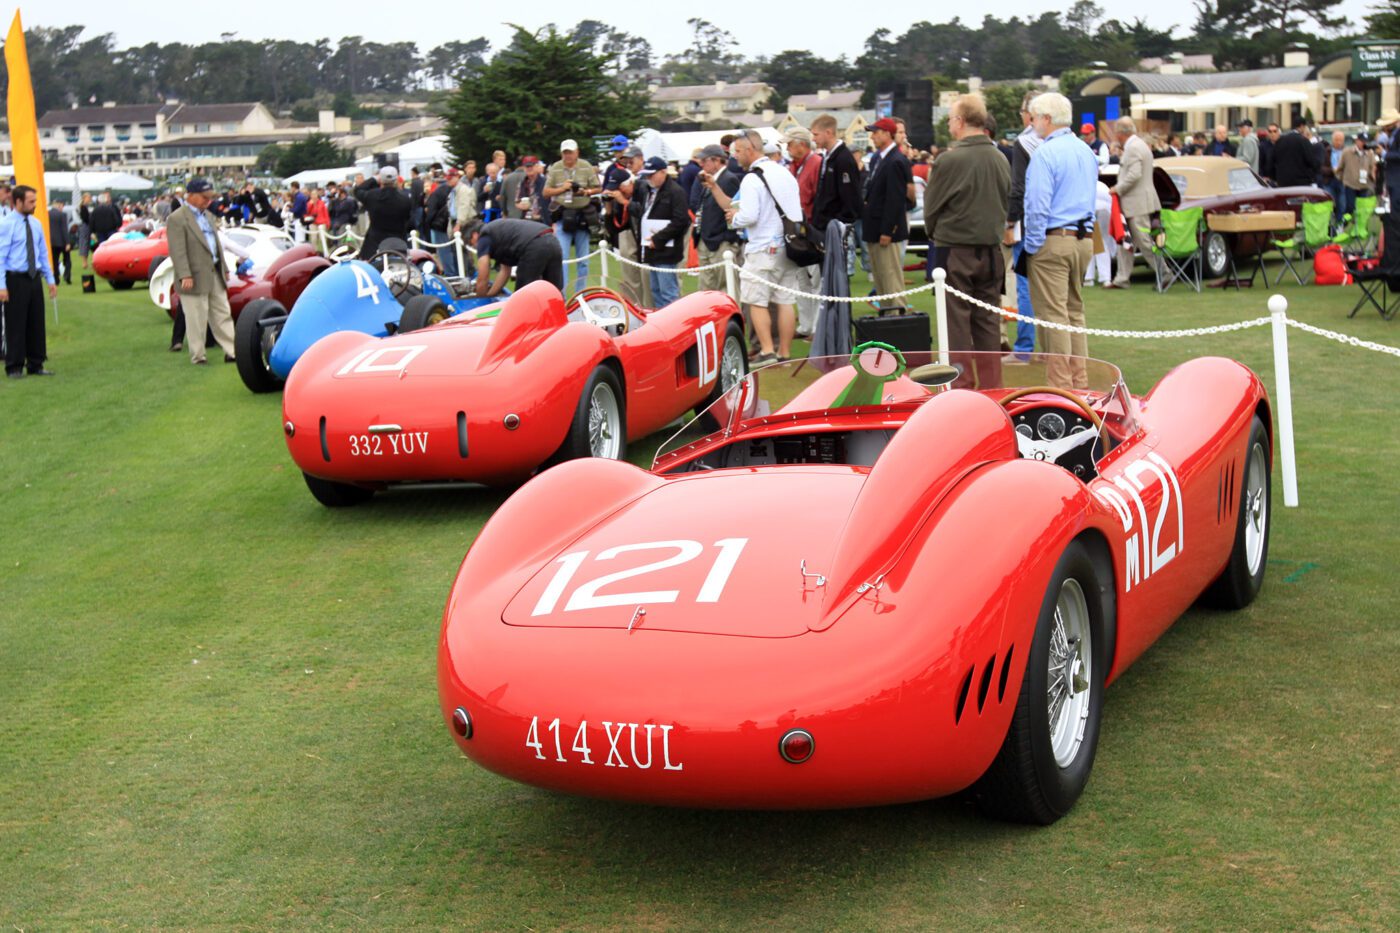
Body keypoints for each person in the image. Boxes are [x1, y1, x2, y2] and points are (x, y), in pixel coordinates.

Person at [922, 93, 1009, 389]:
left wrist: (937, 235)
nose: (949, 124)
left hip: (955, 250)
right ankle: (993, 389)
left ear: (960, 121)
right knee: (988, 322)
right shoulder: (1000, 157)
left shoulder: (950, 159)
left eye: (950, 119)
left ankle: (961, 389)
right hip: (991, 250)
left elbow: (931, 210)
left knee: (955, 324)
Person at [706, 129, 803, 363]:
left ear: (750, 150)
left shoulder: (752, 178)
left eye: (737, 151)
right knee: (785, 301)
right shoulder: (785, 173)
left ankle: (768, 351)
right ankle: (784, 353)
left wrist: (733, 218)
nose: (735, 157)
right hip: (788, 245)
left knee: (756, 301)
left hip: (762, 247)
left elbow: (748, 216)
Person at [1022, 92, 1098, 390]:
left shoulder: (1045, 153)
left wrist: (1032, 244)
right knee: (1074, 313)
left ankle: (1062, 387)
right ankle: (1079, 382)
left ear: (1047, 119)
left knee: (1055, 317)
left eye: (1035, 117)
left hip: (1055, 239)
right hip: (1083, 238)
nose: (1032, 122)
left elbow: (1037, 205)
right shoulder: (1084, 150)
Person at [165, 178, 235, 366]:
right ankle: (198, 355)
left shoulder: (209, 216)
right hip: (192, 276)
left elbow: (216, 245)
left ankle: (232, 351)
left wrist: (224, 268)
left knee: (222, 313)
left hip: (214, 272)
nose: (208, 201)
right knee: (196, 317)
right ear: (191, 196)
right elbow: (177, 251)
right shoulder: (177, 218)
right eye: (204, 197)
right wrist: (184, 274)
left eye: (210, 197)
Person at [0, 185, 58, 378]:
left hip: (33, 278)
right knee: (16, 323)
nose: (34, 205)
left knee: (36, 321)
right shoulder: (6, 224)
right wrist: (2, 285)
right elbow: (1, 257)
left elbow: (42, 254)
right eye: (30, 201)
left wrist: (50, 279)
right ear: (18, 202)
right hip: (15, 279)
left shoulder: (36, 224)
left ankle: (36, 363)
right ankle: (14, 366)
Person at [861, 117, 912, 310]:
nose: (873, 136)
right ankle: (887, 314)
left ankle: (897, 314)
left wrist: (888, 230)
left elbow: (895, 200)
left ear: (887, 134)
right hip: (875, 226)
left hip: (885, 229)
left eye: (876, 132)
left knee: (890, 275)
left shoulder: (895, 161)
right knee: (881, 277)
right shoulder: (879, 159)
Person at [1004, 92, 1040, 357]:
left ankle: (1024, 348)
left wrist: (1009, 222)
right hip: (1065, 226)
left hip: (1029, 224)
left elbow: (1018, 189)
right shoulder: (1071, 142)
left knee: (1025, 287)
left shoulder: (1024, 142)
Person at [809, 113, 862, 291]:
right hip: (824, 225)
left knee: (837, 277)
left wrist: (841, 222)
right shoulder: (829, 157)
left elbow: (850, 196)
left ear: (829, 132)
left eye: (816, 134)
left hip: (835, 227)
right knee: (827, 278)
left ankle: (841, 317)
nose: (813, 138)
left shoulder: (843, 159)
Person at [543, 139, 601, 296]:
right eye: (565, 153)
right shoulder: (555, 168)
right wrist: (562, 188)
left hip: (582, 215)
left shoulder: (585, 166)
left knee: (583, 261)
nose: (568, 156)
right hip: (563, 215)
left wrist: (585, 192)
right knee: (563, 259)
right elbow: (546, 192)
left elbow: (598, 187)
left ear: (577, 152)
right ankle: (563, 295)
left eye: (570, 152)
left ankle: (580, 295)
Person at [631, 157, 691, 308]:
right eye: (647, 175)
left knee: (668, 293)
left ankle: (675, 326)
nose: (648, 178)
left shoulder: (676, 191)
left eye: (652, 174)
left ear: (663, 172)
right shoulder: (648, 190)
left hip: (666, 250)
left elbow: (681, 221)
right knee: (656, 291)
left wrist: (658, 239)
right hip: (652, 249)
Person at [1110, 116, 1162, 289]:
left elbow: (1134, 174)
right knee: (1126, 242)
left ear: (1120, 133)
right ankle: (1121, 279)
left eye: (1116, 132)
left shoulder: (1132, 148)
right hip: (1136, 201)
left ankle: (1165, 273)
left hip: (1136, 203)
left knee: (1143, 241)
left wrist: (1118, 188)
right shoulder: (1138, 145)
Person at [785, 126, 824, 338]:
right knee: (800, 279)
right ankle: (805, 325)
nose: (788, 148)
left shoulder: (816, 163)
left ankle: (816, 326)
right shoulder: (793, 166)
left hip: (811, 229)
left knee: (815, 279)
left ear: (801, 144)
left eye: (790, 144)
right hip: (796, 229)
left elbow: (818, 196)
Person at [692, 144, 743, 301]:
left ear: (716, 160)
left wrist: (726, 239)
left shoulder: (729, 179)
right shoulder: (709, 179)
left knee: (726, 288)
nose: (701, 164)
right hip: (705, 239)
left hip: (722, 241)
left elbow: (733, 209)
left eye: (705, 161)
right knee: (706, 289)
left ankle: (731, 323)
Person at [465, 217, 563, 296]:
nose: (474, 246)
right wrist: (490, 295)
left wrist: (480, 300)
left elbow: (483, 278)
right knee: (554, 292)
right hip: (552, 240)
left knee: (522, 297)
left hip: (533, 246)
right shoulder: (498, 232)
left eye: (470, 243)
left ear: (474, 235)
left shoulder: (484, 237)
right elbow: (505, 272)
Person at [353, 165, 413, 259]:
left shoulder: (371, 196)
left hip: (374, 243)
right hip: (398, 242)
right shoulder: (405, 199)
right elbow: (409, 220)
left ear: (381, 180)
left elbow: (358, 190)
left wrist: (374, 179)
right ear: (396, 180)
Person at [424, 167, 463, 276]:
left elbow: (431, 210)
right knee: (453, 250)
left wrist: (429, 222)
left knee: (445, 251)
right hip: (451, 224)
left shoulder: (439, 191)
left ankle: (451, 273)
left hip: (441, 225)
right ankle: (457, 272)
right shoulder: (456, 190)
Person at [1338, 133, 1378, 222]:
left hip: (1364, 185)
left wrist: (1372, 177)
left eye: (1365, 141)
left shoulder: (1370, 153)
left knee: (1362, 209)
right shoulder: (1347, 152)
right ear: (1357, 141)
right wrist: (1342, 179)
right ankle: (1344, 224)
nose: (1363, 143)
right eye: (1362, 141)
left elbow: (1373, 167)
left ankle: (1360, 227)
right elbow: (1340, 167)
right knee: (1350, 206)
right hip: (1350, 184)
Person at [1273, 119, 1319, 188]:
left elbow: (1272, 161)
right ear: (1302, 126)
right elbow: (1311, 161)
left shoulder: (1280, 141)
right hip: (1301, 182)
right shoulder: (1303, 141)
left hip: (1283, 182)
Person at [1320, 130, 1347, 225]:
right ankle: (1329, 225)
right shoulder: (1326, 151)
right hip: (1329, 181)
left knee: (1342, 204)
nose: (1338, 142)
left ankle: (1339, 224)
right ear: (1332, 140)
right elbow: (1321, 168)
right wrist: (1332, 171)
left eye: (1340, 140)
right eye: (1336, 140)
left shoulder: (1346, 152)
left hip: (1342, 181)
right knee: (1329, 203)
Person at [47, 199, 72, 286]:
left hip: (52, 242)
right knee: (67, 260)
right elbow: (64, 229)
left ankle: (56, 279)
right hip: (62, 241)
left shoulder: (47, 214)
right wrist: (68, 242)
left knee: (54, 261)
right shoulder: (62, 215)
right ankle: (67, 276)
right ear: (59, 205)